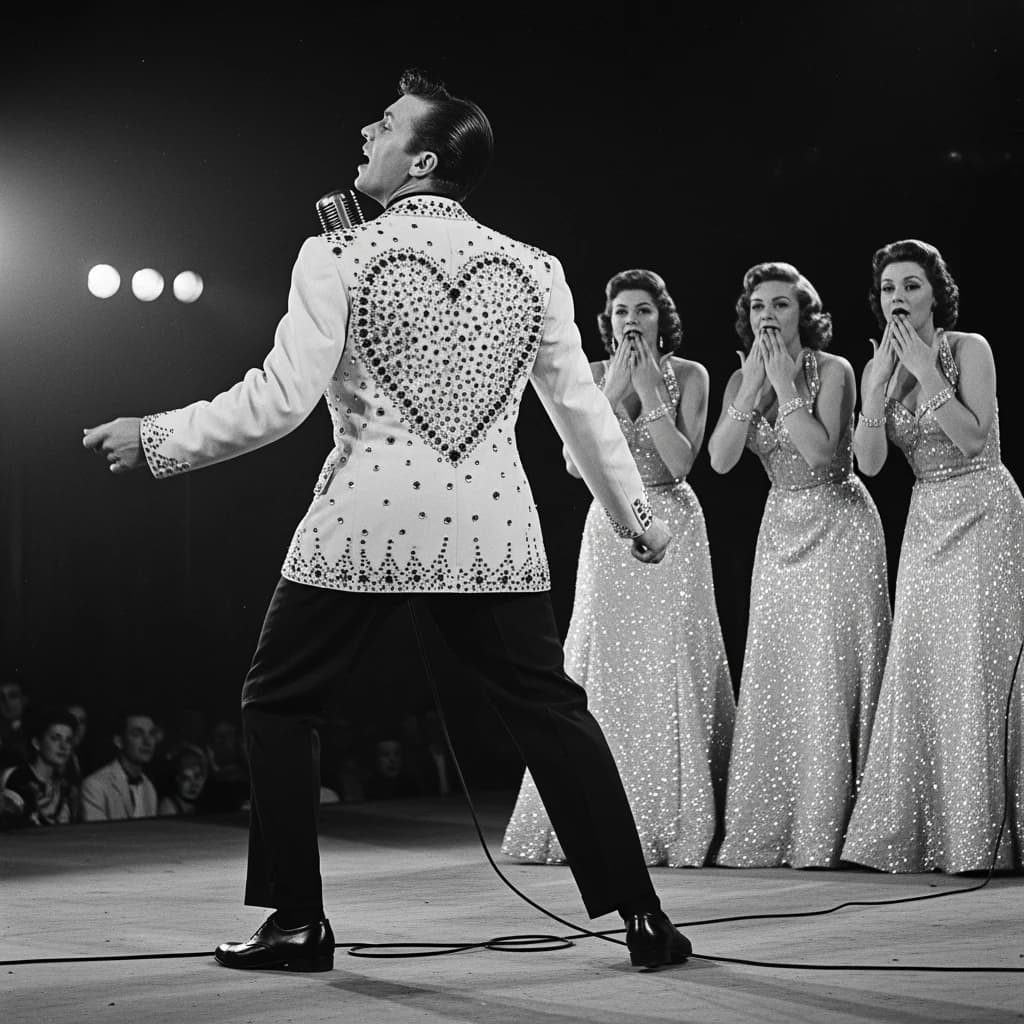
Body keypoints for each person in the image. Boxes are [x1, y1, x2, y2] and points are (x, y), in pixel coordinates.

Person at [81, 68, 690, 971]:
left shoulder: (334, 255)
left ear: (424, 160)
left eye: (387, 123)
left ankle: (298, 922)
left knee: (279, 703)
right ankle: (644, 918)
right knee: (552, 713)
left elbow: (278, 401)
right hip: (489, 532)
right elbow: (582, 414)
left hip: (366, 524)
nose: (367, 132)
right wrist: (636, 517)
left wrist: (158, 436)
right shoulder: (536, 268)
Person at [502, 269, 735, 867]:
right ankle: (604, 811)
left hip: (673, 521)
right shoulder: (594, 375)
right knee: (604, 662)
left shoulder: (691, 375)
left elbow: (680, 463)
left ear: (662, 318)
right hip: (610, 524)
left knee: (674, 659)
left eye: (644, 311)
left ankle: (679, 817)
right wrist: (612, 391)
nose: (632, 321)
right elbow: (573, 462)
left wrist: (651, 394)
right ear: (608, 321)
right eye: (622, 312)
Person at [841, 239, 1024, 874]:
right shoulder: (881, 365)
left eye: (911, 285)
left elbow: (974, 439)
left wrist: (927, 369)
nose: (898, 297)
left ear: (935, 295)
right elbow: (869, 464)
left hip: (984, 509)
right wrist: (874, 390)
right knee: (924, 664)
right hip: (927, 518)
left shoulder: (968, 348)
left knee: (979, 662)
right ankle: (935, 830)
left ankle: (987, 832)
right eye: (889, 288)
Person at [708, 262, 890, 868]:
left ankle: (842, 826)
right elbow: (721, 461)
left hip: (838, 523)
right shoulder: (743, 376)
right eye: (758, 305)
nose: (767, 315)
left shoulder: (833, 370)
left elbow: (818, 453)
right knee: (781, 667)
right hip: (780, 526)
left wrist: (786, 386)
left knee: (833, 668)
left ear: (803, 314)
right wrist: (751, 389)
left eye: (780, 305)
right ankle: (782, 821)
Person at [3, 708, 80, 825]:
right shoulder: (17, 778)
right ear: (37, 743)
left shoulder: (65, 787)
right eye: (55, 738)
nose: (64, 746)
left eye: (68, 740)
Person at [79, 711, 160, 821]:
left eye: (152, 734)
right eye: (137, 734)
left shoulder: (149, 787)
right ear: (119, 741)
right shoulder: (95, 786)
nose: (148, 742)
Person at [158, 742, 210, 815]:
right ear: (177, 779)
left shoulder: (202, 804)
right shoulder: (168, 806)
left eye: (197, 777)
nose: (193, 785)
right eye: (186, 778)